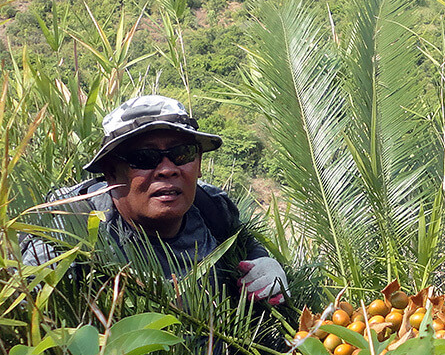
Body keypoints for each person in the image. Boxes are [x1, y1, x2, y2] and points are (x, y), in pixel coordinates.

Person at [22, 94, 289, 305]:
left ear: (198, 161)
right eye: (144, 157)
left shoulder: (212, 208)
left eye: (182, 153)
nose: (167, 169)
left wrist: (263, 266)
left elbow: (245, 245)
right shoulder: (70, 227)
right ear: (110, 172)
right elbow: (29, 305)